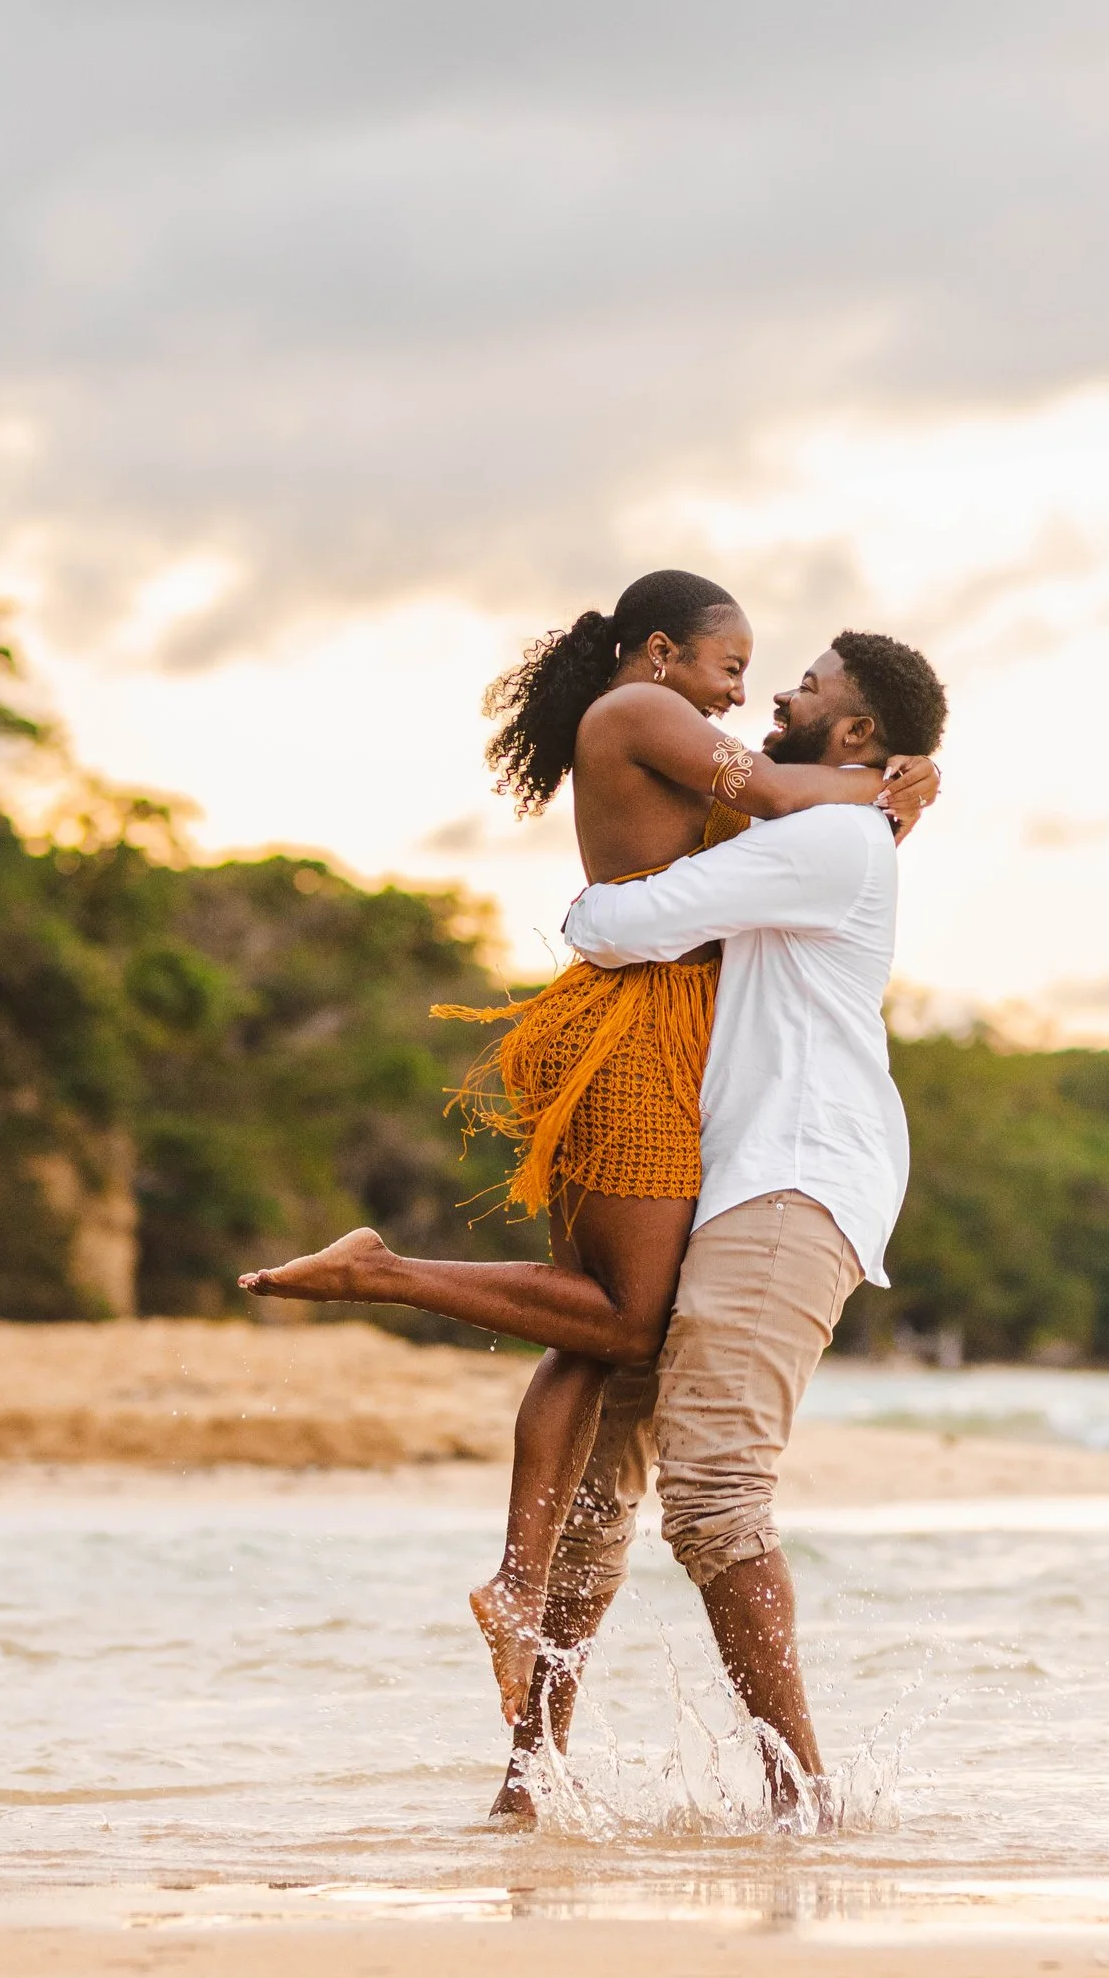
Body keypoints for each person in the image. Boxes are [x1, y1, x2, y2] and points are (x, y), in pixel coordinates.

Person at [237, 570, 935, 1714]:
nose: (747, 693)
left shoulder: (731, 765)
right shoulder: (643, 715)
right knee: (622, 1319)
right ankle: (380, 1271)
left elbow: (789, 834)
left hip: (672, 1048)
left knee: (601, 1335)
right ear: (660, 648)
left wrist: (895, 792)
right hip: (638, 1031)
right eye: (733, 665)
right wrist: (884, 787)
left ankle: (523, 1646)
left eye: (780, 679)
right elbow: (736, 819)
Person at [492, 627, 947, 1825]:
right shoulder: (828, 819)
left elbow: (612, 923)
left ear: (853, 733)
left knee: (713, 1497)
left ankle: (802, 1796)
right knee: (606, 1486)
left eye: (806, 688)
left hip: (795, 1183)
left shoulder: (833, 835)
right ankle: (528, 1777)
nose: (775, 697)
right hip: (736, 1176)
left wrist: (867, 797)